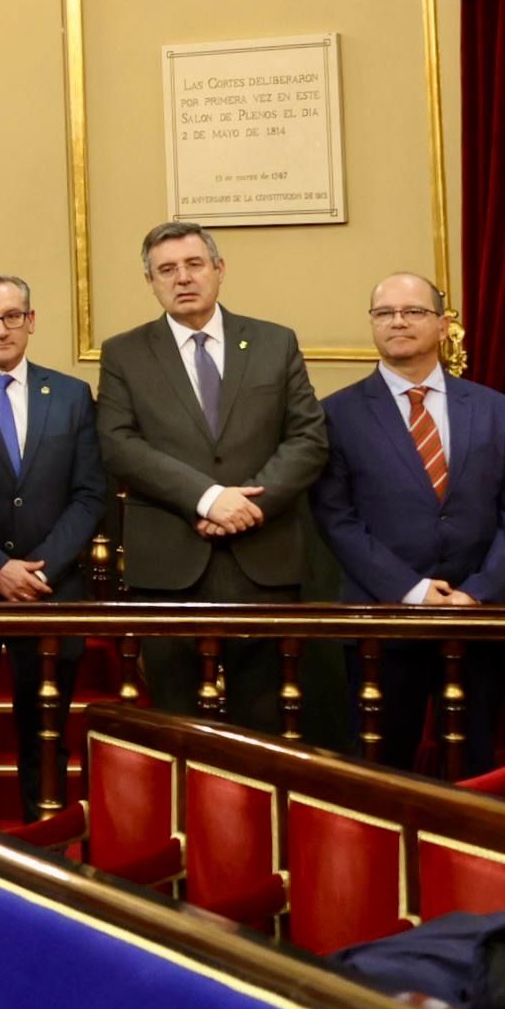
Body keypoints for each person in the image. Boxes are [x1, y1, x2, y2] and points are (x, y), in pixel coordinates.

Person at [95, 221, 326, 732]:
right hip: (170, 568)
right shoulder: (124, 353)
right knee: (176, 723)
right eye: (167, 270)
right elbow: (119, 444)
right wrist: (207, 498)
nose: (182, 278)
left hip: (263, 563)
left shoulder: (274, 342)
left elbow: (308, 439)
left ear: (219, 270)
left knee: (266, 722)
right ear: (151, 283)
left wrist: (249, 508)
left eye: (194, 264)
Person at [311, 272, 505, 771]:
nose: (398, 321)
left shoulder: (494, 410)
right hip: (384, 622)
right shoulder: (335, 414)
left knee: (477, 764)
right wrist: (412, 590)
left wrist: (479, 592)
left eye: (413, 311)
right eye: (385, 313)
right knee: (382, 767)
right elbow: (337, 519)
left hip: (479, 622)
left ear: (442, 325)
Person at [0, 272, 105, 809]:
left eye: (12, 316)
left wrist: (42, 569)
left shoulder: (73, 395)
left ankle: (45, 852)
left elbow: (89, 494)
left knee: (47, 741)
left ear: (31, 322)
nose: (0, 329)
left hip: (52, 594)